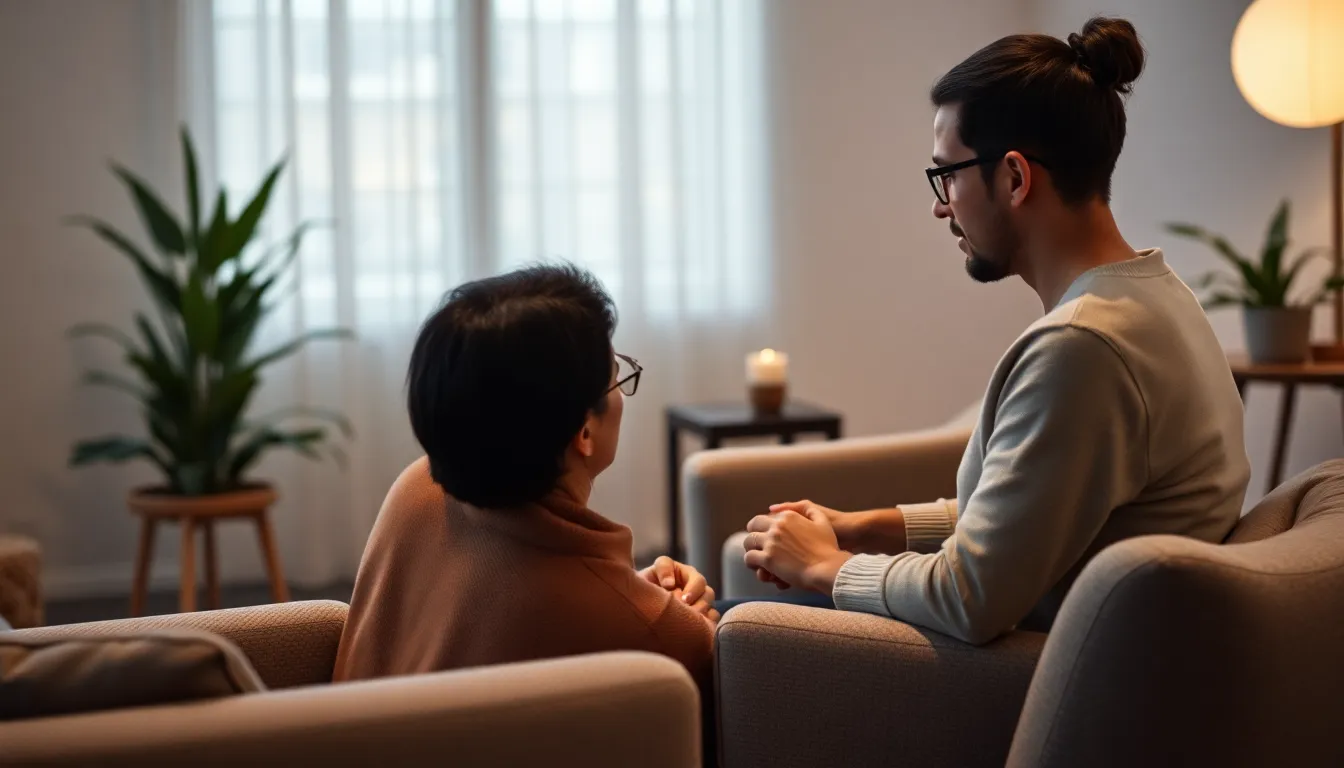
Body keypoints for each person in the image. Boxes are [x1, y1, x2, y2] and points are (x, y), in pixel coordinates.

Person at [741, 17, 1251, 644]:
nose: (941, 204)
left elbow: (971, 596)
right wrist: (859, 527)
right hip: (1094, 650)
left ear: (1013, 178)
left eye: (947, 175)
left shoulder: (1083, 348)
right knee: (747, 571)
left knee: (736, 617)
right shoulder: (1160, 299)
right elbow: (1031, 515)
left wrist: (823, 564)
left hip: (1027, 677)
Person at [334, 264, 717, 688]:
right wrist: (644, 611)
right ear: (585, 432)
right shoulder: (657, 635)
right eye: (617, 377)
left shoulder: (416, 488)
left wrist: (626, 594)